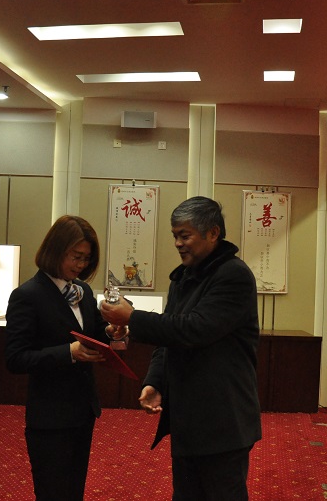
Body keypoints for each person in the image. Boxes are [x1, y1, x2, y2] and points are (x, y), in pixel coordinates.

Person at [101, 196, 262, 501]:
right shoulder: (184, 277)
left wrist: (132, 317)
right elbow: (170, 338)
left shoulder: (233, 275)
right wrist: (155, 382)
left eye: (184, 235)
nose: (177, 243)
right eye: (175, 235)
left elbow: (194, 329)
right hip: (188, 416)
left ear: (213, 233)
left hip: (223, 418)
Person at [5, 215, 110, 501]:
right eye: (76, 256)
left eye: (86, 259)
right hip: (50, 415)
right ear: (56, 250)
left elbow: (96, 331)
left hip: (83, 410)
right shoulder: (27, 295)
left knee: (74, 490)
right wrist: (68, 353)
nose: (81, 265)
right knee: (52, 492)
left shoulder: (82, 290)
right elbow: (15, 358)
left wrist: (114, 330)